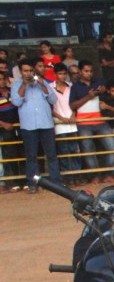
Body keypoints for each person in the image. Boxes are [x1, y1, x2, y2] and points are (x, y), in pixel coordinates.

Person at [11, 58, 60, 190]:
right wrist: (24, 85)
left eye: (30, 70)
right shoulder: (16, 84)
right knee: (31, 156)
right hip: (28, 126)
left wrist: (43, 84)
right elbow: (16, 102)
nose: (28, 73)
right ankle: (33, 184)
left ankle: (56, 183)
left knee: (51, 155)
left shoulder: (42, 82)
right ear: (21, 72)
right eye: (25, 71)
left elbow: (53, 99)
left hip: (46, 123)